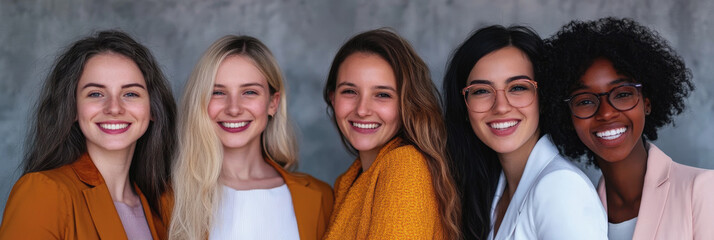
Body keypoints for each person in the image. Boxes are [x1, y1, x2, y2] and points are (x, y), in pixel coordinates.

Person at [541, 17, 714, 240]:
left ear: (647, 103)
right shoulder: (580, 211)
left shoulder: (702, 190)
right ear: (568, 117)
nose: (605, 113)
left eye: (622, 94)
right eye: (585, 100)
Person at [0, 30, 176, 239]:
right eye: (95, 94)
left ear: (153, 109)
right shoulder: (43, 193)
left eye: (130, 94)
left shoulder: (166, 203)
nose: (114, 108)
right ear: (72, 108)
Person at [442, 25, 608, 240]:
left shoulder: (561, 187)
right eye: (481, 91)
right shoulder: (492, 191)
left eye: (518, 87)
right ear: (464, 106)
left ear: (543, 98)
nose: (501, 106)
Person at [168, 35, 333, 240]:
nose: (234, 108)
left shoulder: (321, 197)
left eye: (249, 92)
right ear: (199, 102)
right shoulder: (169, 199)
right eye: (218, 92)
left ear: (273, 103)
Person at [322, 29, 460, 239]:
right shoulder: (349, 180)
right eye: (349, 91)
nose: (362, 109)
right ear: (333, 98)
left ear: (407, 103)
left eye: (382, 95)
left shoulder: (405, 168)